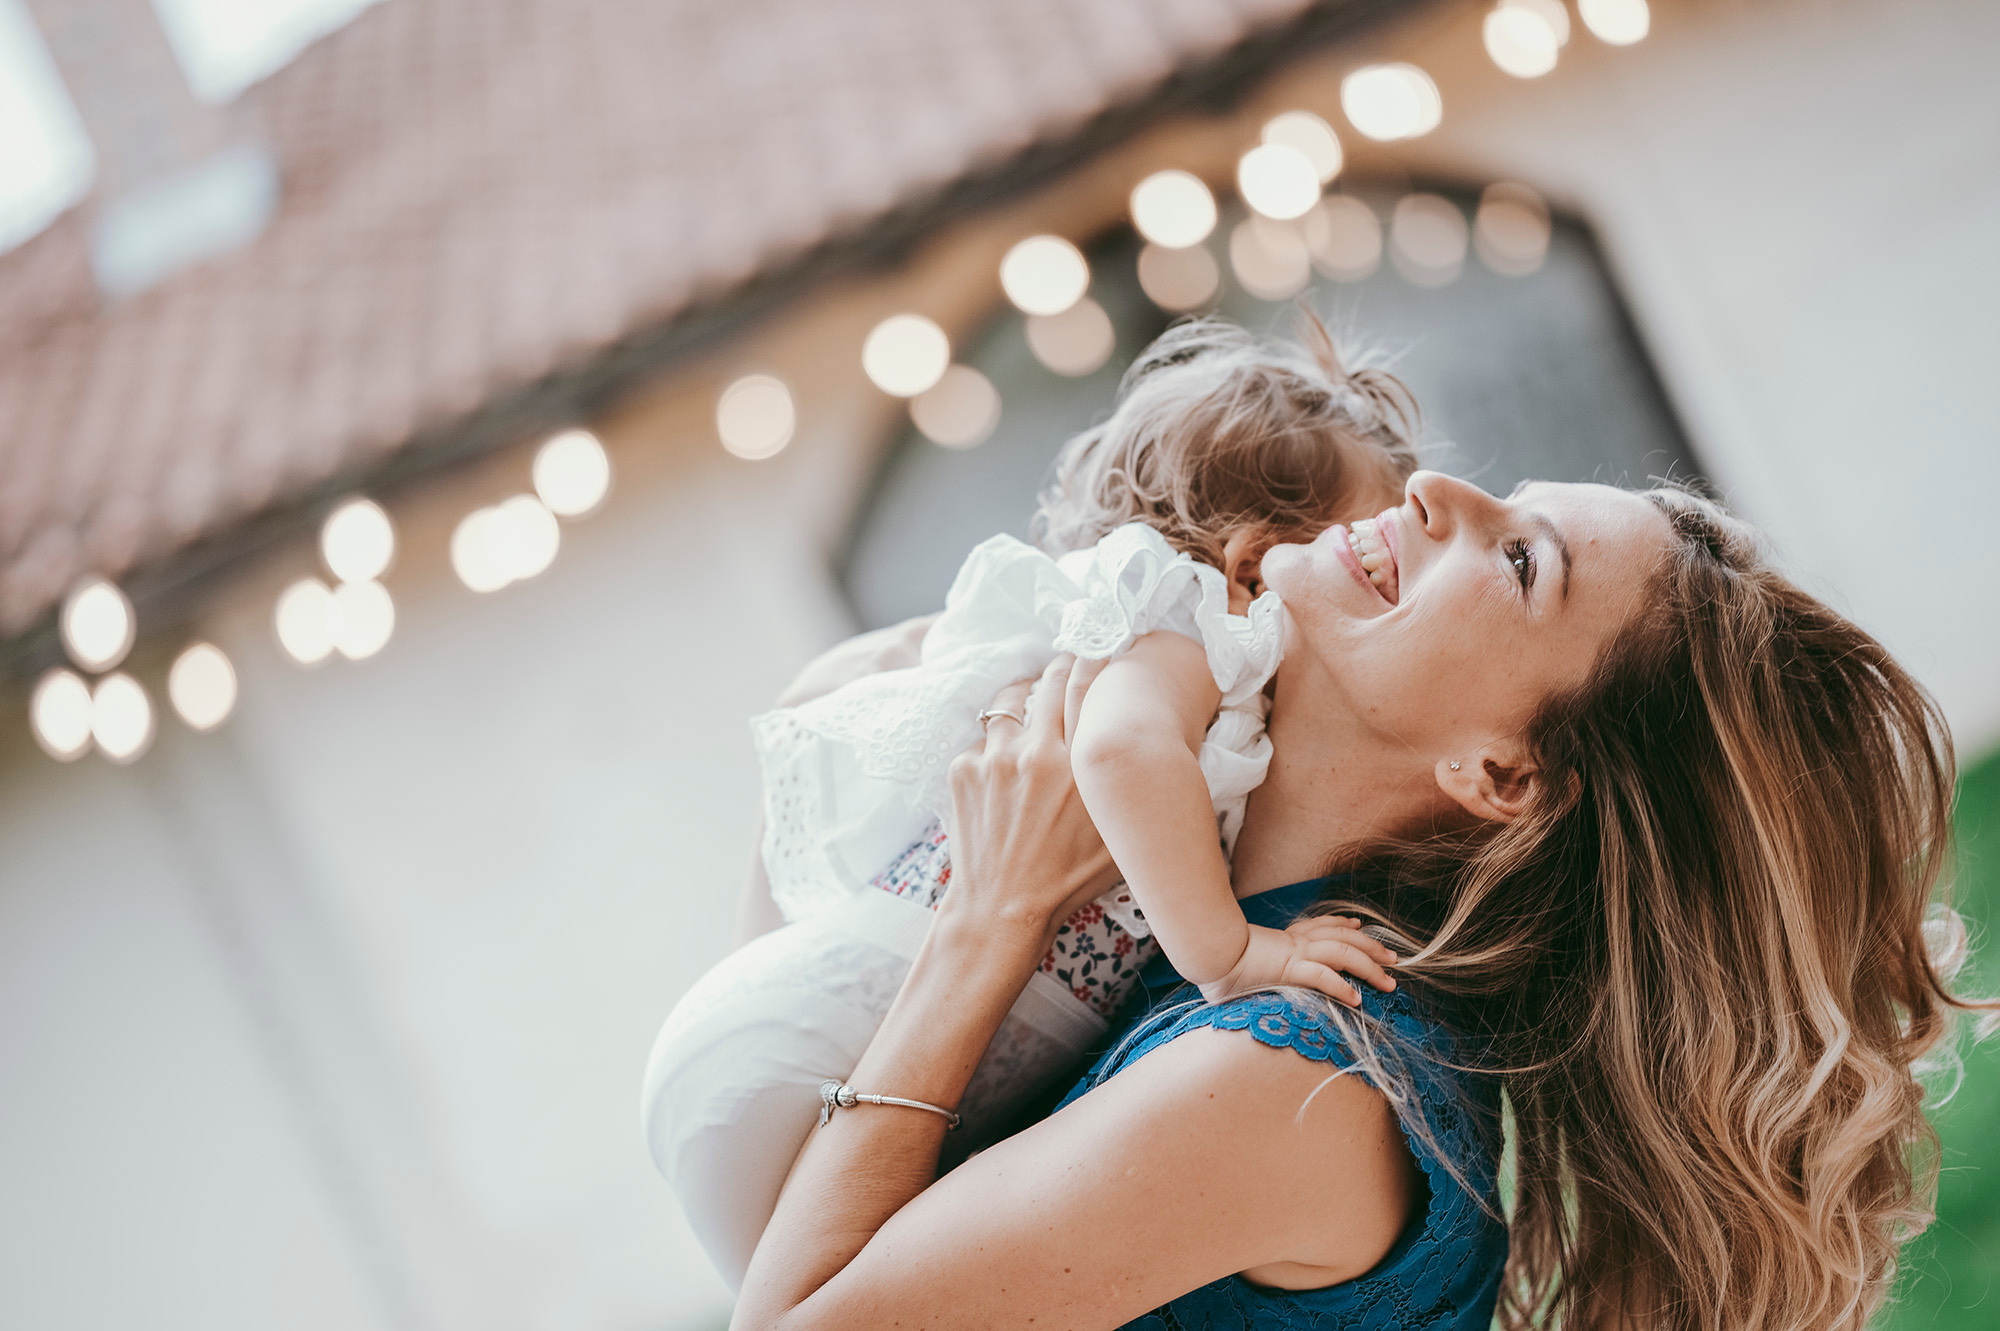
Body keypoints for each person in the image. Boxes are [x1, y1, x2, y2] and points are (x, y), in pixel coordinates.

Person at [710, 468, 1990, 1330]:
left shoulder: (1296, 1076)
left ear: (1500, 773)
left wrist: (984, 922)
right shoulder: (1197, 897)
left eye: (1519, 559)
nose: (1438, 488)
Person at [645, 317, 1416, 1284]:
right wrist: (1234, 952)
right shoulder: (1182, 629)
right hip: (809, 1050)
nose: (1388, 573)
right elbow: (1123, 749)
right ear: (1253, 564)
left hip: (794, 1045)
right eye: (1368, 552)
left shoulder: (1159, 654)